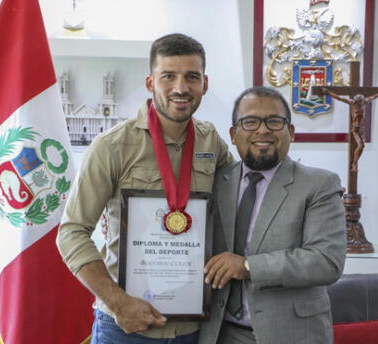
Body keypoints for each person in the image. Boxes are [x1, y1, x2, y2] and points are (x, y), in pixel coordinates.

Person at [57, 33, 233, 343]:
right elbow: (71, 233)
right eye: (169, 76)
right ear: (150, 83)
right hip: (125, 326)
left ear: (204, 84)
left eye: (191, 77)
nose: (181, 88)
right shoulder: (111, 146)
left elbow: (237, 204)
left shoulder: (211, 142)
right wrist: (118, 302)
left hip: (193, 327)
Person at [199, 86, 346, 344]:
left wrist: (247, 266)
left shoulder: (320, 184)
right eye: (250, 121)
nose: (263, 130)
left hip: (292, 335)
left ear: (290, 132)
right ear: (233, 135)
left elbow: (326, 261)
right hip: (221, 335)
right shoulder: (213, 184)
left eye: (274, 121)